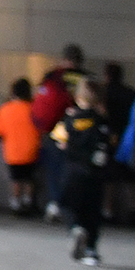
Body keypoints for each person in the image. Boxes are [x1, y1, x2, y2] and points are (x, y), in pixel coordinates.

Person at [52, 79, 114, 267]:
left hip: (73, 171)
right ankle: (91, 251)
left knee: (68, 204)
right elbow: (110, 141)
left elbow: (59, 141)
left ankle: (76, 228)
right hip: (95, 173)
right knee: (92, 211)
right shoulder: (102, 120)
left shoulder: (70, 119)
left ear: (78, 97)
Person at [31, 45, 88, 221]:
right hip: (80, 129)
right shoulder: (86, 78)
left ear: (64, 58)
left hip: (55, 130)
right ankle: (73, 206)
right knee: (76, 169)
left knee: (54, 169)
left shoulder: (52, 76)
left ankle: (55, 203)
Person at [99, 61, 135, 226]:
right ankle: (134, 210)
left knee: (109, 177)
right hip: (129, 139)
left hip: (109, 137)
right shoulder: (131, 94)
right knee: (130, 177)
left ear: (106, 75)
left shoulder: (104, 93)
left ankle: (108, 210)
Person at [0, 79, 42, 216]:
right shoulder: (33, 109)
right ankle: (28, 201)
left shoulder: (5, 109)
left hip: (12, 152)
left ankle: (15, 203)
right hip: (31, 150)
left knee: (16, 179)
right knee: (29, 178)